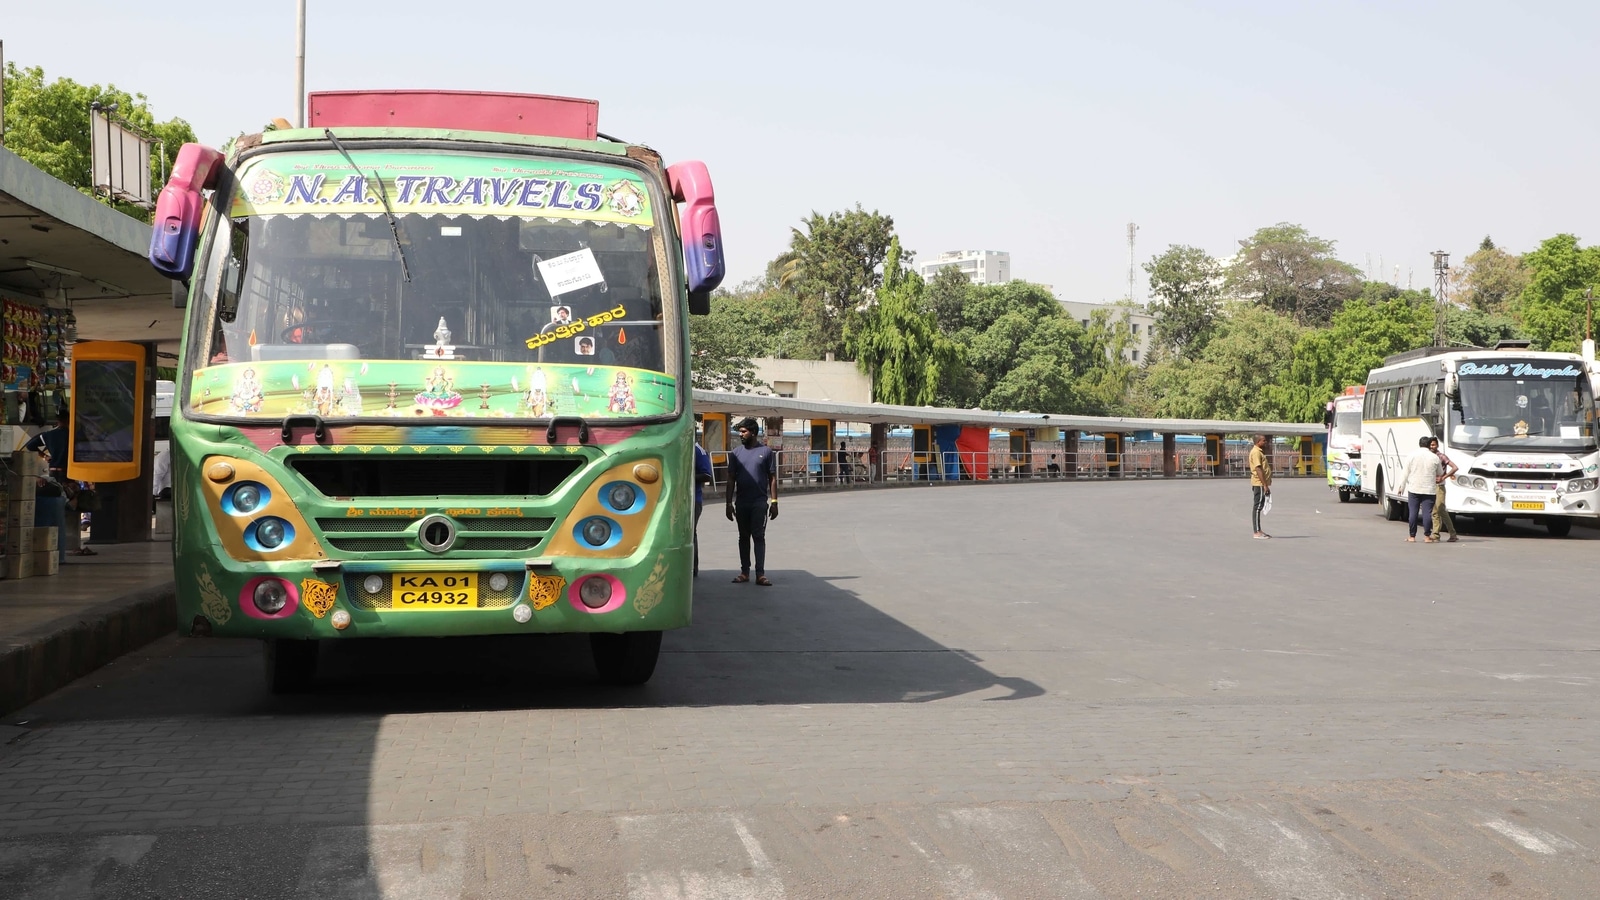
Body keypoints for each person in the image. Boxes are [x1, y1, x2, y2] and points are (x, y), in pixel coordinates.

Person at [725, 417, 777, 586]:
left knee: (759, 537)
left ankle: (760, 574)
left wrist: (774, 502)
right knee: (743, 537)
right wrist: (728, 504)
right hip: (741, 503)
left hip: (759, 502)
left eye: (743, 431)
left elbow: (772, 478)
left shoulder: (767, 452)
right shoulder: (736, 454)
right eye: (739, 431)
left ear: (753, 432)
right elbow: (731, 479)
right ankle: (744, 572)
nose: (740, 434)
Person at [1401, 434, 1444, 543]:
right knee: (1427, 513)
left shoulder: (1412, 456)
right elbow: (1440, 473)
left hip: (1414, 488)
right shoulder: (1434, 457)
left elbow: (1405, 473)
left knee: (1413, 512)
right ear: (1429, 445)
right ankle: (1427, 536)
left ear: (1419, 444)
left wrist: (1402, 486)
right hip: (1429, 489)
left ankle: (1412, 536)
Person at [1429, 436, 1459, 542]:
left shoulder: (1441, 456)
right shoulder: (1428, 456)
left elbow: (1455, 467)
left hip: (1439, 486)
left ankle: (1452, 533)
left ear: (1437, 445)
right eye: (1430, 445)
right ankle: (1435, 535)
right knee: (1434, 511)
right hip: (1430, 486)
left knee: (1441, 509)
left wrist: (1443, 477)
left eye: (1433, 444)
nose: (1432, 447)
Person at [693, 438, 713, 577]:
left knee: (690, 534)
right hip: (675, 500)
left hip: (693, 500)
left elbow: (707, 475)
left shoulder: (698, 451)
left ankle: (693, 568)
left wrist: (686, 476)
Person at [1249, 433, 1272, 539]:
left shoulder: (1259, 452)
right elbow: (1258, 469)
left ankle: (1259, 529)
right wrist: (1265, 485)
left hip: (1260, 483)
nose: (1265, 442)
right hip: (1259, 483)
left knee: (1259, 506)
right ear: (1258, 442)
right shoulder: (1256, 452)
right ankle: (1256, 532)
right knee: (1258, 507)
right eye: (1263, 440)